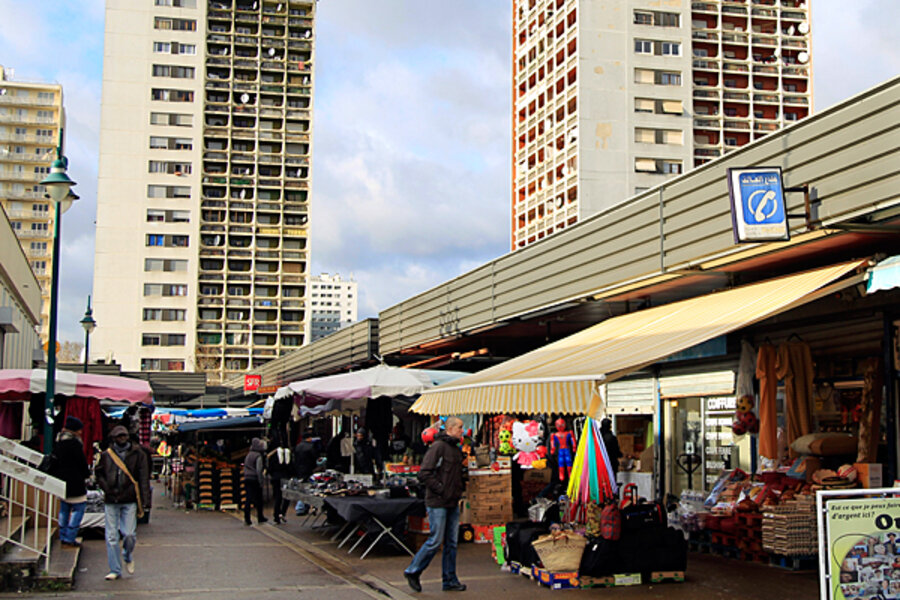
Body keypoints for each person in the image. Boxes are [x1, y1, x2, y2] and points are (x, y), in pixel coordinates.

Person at [403, 416, 467, 593]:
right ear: (451, 428)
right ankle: (413, 570)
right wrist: (441, 489)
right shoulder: (438, 447)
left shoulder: (455, 449)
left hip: (452, 501)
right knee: (436, 539)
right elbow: (424, 473)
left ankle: (450, 579)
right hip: (438, 501)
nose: (463, 430)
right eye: (460, 427)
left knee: (451, 542)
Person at [94, 425, 150, 581]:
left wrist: (145, 500)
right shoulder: (106, 455)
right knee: (111, 536)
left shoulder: (138, 454)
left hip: (129, 498)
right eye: (119, 436)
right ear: (113, 438)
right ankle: (115, 569)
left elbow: (143, 477)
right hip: (111, 499)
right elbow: (99, 474)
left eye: (124, 435)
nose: (122, 438)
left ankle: (127, 554)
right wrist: (106, 488)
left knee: (129, 534)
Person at [48, 416, 91, 548]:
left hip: (61, 482)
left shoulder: (58, 442)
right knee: (79, 509)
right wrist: (87, 475)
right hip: (75, 481)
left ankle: (63, 535)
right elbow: (81, 463)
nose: (81, 433)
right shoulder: (75, 444)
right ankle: (70, 537)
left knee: (64, 509)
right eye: (79, 430)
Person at [242, 437, 267, 526]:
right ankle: (260, 517)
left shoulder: (248, 455)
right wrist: (261, 481)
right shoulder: (258, 455)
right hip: (254, 479)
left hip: (247, 478)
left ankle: (247, 518)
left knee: (248, 498)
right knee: (259, 499)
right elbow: (259, 469)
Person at [267, 443, 293, 524]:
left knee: (278, 497)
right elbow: (292, 467)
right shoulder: (289, 455)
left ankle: (276, 515)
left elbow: (269, 468)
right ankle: (282, 512)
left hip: (276, 478)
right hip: (285, 478)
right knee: (287, 496)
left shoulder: (273, 456)